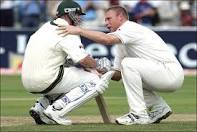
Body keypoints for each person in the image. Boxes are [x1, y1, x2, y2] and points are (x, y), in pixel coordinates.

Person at [56, 5, 184, 125]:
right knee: (125, 75)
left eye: (109, 19)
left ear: (120, 17)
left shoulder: (130, 28)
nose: (106, 23)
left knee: (128, 64)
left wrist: (78, 30)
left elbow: (106, 39)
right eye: (105, 19)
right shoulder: (121, 41)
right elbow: (117, 75)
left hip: (170, 73)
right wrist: (99, 68)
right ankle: (159, 107)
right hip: (161, 74)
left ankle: (138, 114)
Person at [21, 0, 114, 125]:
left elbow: (65, 60)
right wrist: (99, 66)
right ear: (68, 14)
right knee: (96, 80)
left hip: (27, 80)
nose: (79, 18)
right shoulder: (67, 30)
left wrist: (83, 64)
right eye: (77, 14)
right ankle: (56, 110)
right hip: (46, 78)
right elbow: (83, 60)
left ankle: (40, 108)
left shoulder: (44, 27)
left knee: (72, 79)